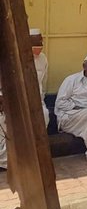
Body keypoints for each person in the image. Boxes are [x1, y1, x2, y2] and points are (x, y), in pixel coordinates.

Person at [0, 28, 51, 170]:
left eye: (40, 41)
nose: (39, 45)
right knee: (6, 124)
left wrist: (39, 100)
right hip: (10, 103)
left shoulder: (43, 59)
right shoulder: (9, 58)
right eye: (35, 42)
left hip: (35, 102)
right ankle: (7, 162)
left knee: (43, 117)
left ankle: (31, 158)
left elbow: (43, 83)